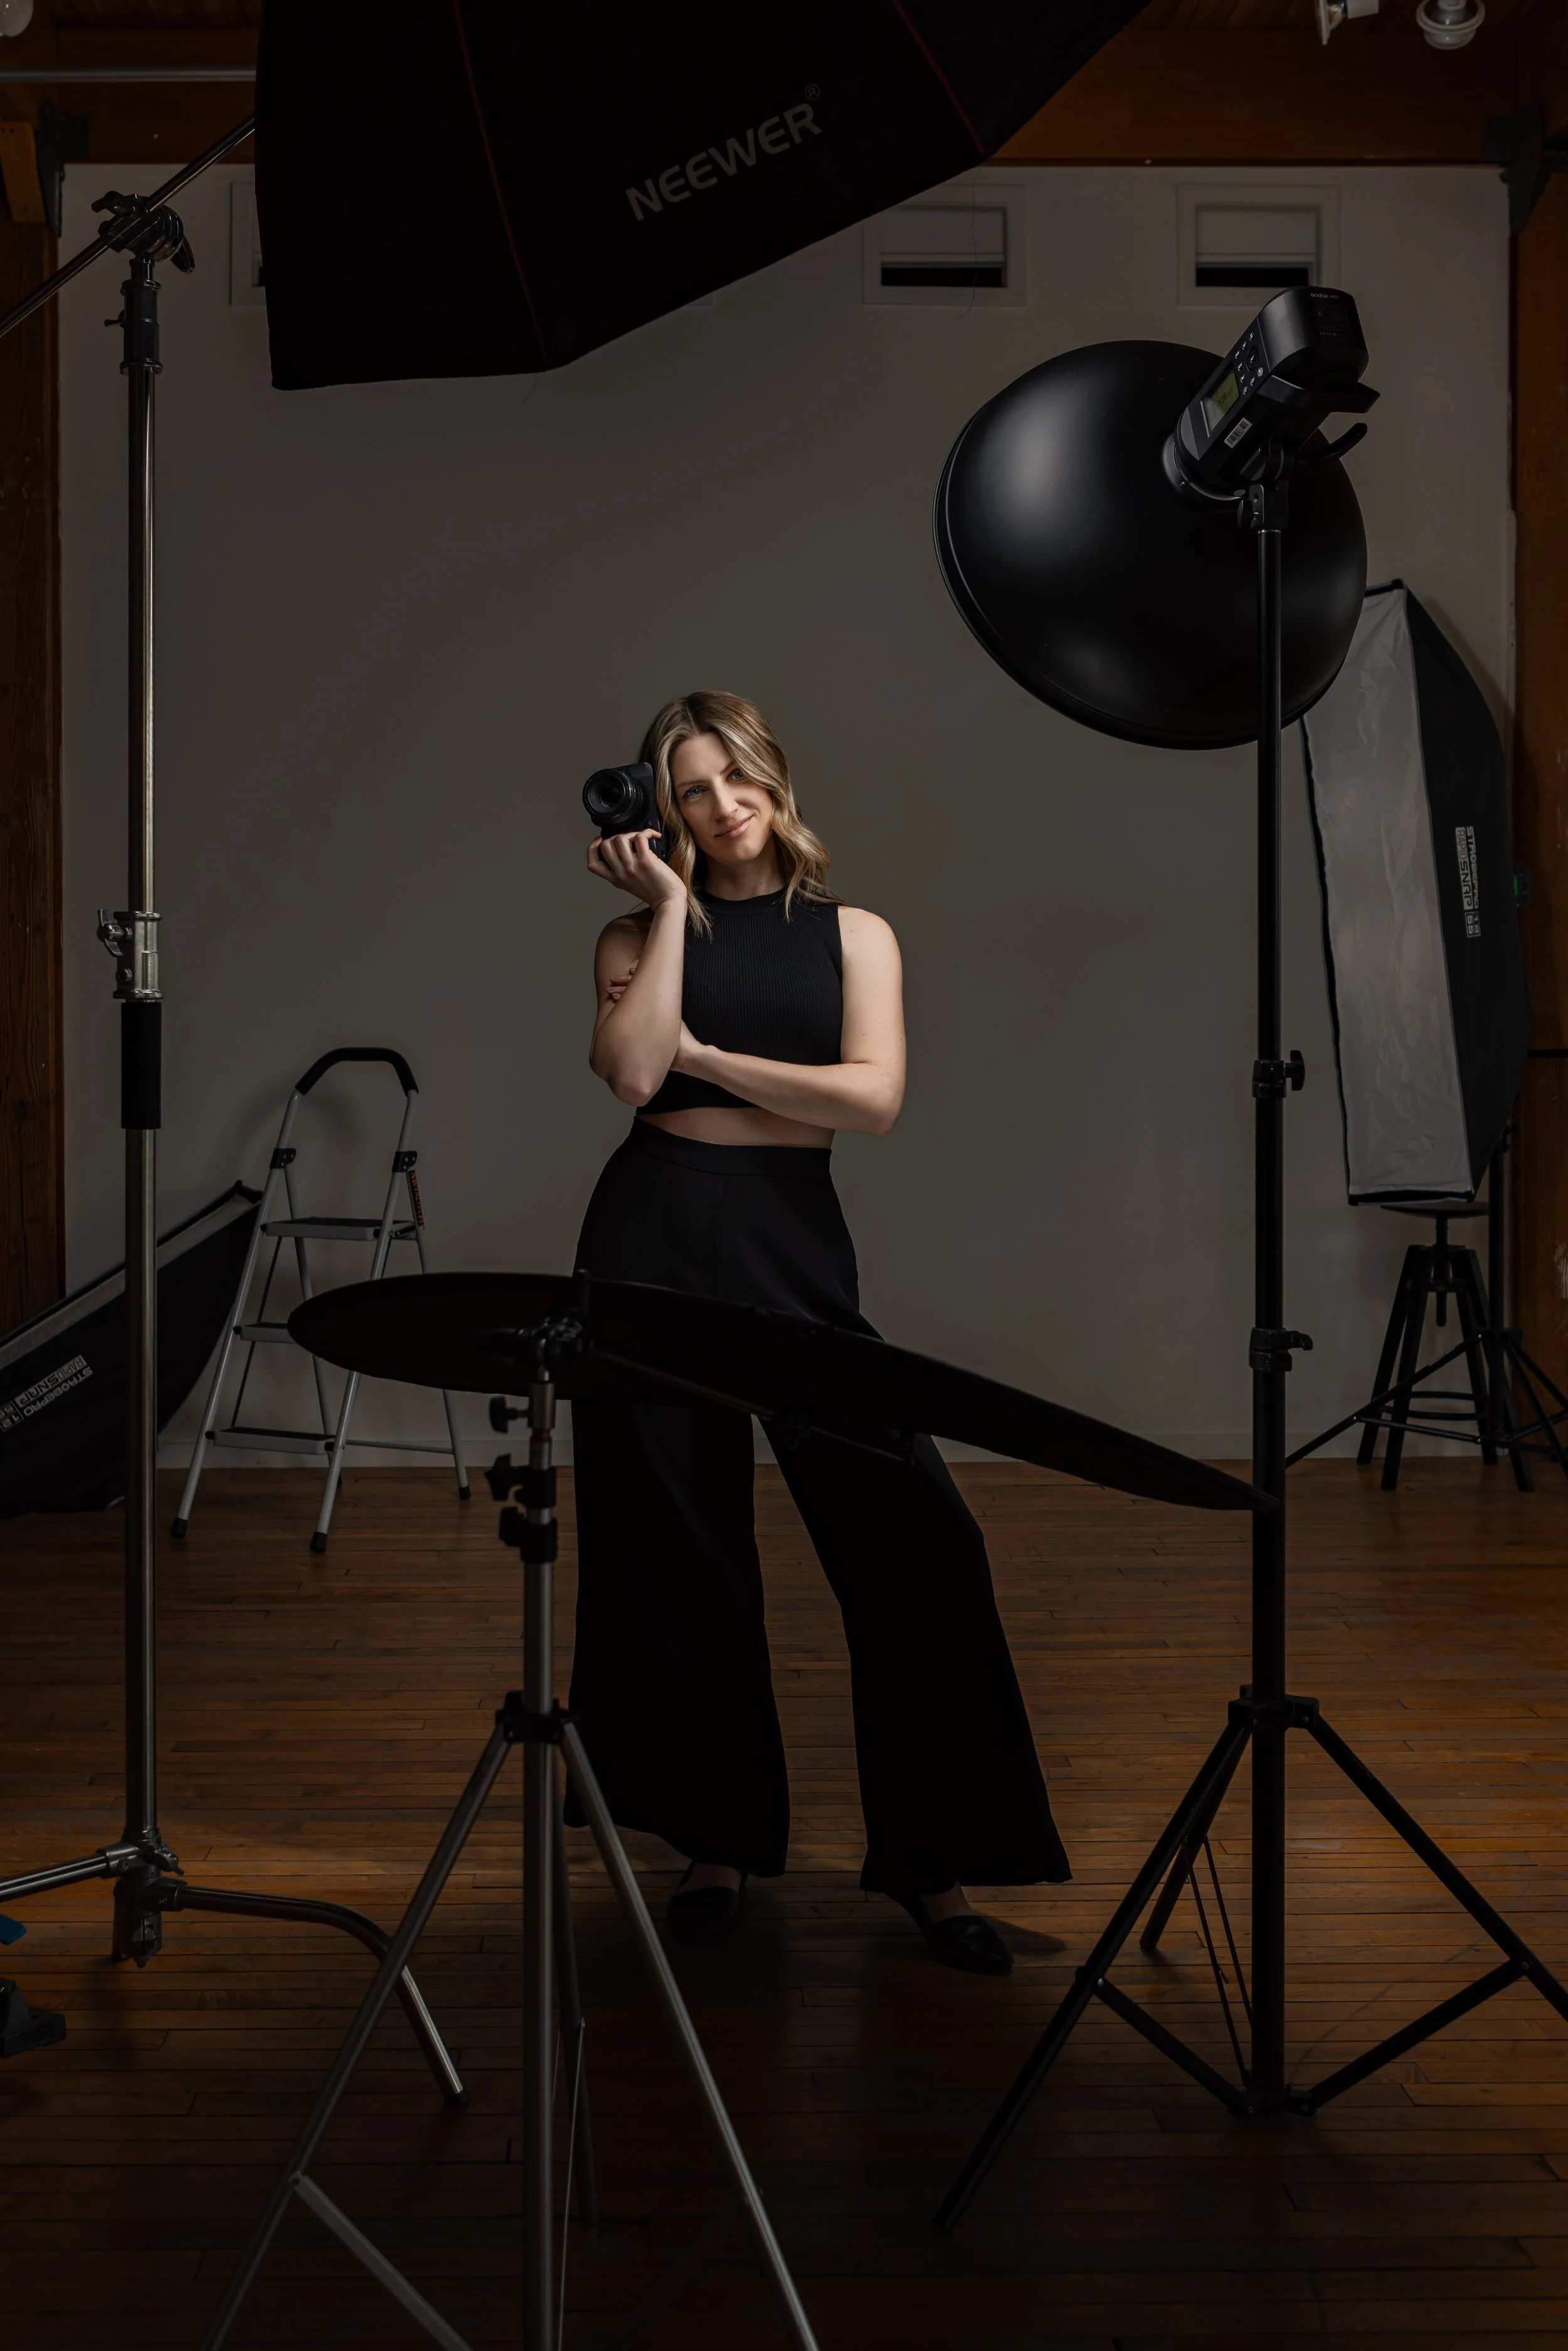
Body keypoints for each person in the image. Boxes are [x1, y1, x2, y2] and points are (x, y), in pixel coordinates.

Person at [570, 688, 1068, 1973]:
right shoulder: (639, 929)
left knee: (915, 1538)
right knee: (677, 1539)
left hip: (789, 1231)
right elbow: (632, 1075)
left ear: (774, 782)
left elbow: (873, 1097)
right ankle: (713, 1841)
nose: (718, 804)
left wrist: (712, 1056)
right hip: (652, 1226)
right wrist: (674, 915)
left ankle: (930, 1857)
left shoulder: (856, 935)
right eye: (689, 789)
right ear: (664, 813)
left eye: (734, 777)